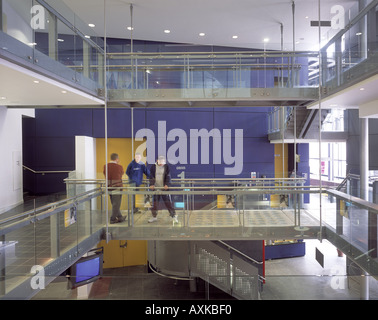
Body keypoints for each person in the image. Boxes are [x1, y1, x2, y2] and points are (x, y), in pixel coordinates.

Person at [148, 155, 178, 223]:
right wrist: (151, 184)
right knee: (155, 204)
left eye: (163, 161)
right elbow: (151, 176)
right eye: (160, 161)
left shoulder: (166, 167)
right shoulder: (153, 167)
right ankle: (154, 216)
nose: (162, 163)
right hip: (156, 188)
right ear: (157, 161)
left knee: (168, 204)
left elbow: (168, 176)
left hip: (164, 189)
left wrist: (167, 184)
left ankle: (173, 216)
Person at [103, 153, 125, 224]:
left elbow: (104, 173)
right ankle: (112, 219)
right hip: (117, 187)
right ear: (117, 159)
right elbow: (122, 173)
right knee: (116, 204)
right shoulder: (119, 167)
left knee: (114, 203)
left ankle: (120, 217)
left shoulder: (105, 166)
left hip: (109, 187)